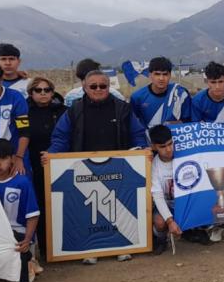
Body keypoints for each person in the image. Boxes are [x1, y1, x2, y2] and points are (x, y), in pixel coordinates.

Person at [43, 69, 147, 264]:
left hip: (117, 170)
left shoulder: (123, 109)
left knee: (117, 209)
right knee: (86, 211)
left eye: (103, 86)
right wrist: (52, 154)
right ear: (84, 87)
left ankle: (122, 246)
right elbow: (61, 137)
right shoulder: (73, 110)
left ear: (109, 87)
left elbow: (138, 134)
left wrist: (142, 149)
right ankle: (89, 249)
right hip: (85, 171)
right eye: (93, 86)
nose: (98, 89)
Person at [0, 139, 40, 282]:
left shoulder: (22, 182)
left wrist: (27, 240)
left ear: (12, 159)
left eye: (3, 158)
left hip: (16, 233)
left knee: (16, 266)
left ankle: (28, 259)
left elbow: (33, 215)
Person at [26, 77, 66, 261]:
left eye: (47, 90)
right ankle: (44, 247)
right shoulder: (23, 112)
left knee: (61, 204)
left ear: (52, 92)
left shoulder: (63, 111)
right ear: (31, 93)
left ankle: (64, 245)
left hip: (60, 163)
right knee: (40, 205)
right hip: (34, 165)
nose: (43, 93)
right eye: (38, 90)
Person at [129, 56, 191, 130]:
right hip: (147, 136)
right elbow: (132, 123)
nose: (161, 78)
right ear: (150, 75)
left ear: (170, 75)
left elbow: (189, 121)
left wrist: (171, 125)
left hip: (174, 136)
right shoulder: (137, 97)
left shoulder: (181, 93)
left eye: (165, 74)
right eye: (157, 74)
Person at [148, 125, 182, 255]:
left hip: (183, 203)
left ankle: (194, 231)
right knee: (159, 222)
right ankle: (161, 239)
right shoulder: (153, 165)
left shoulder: (184, 156)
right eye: (162, 147)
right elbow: (158, 196)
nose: (168, 149)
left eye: (170, 144)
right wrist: (170, 221)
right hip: (166, 204)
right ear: (153, 147)